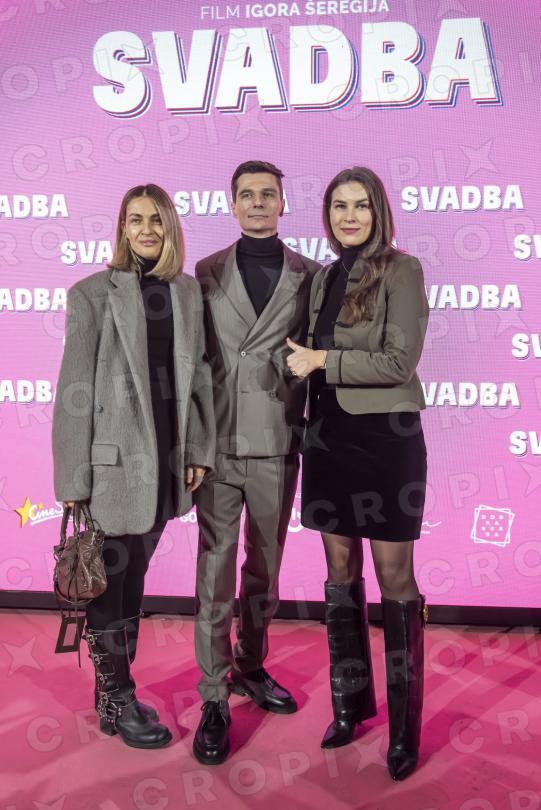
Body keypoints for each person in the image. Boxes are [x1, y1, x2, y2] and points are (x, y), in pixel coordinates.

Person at [52, 184, 215, 749]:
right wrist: (73, 478)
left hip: (167, 465)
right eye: (135, 220)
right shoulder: (93, 294)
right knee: (110, 588)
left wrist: (198, 450)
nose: (146, 229)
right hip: (112, 471)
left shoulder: (187, 293)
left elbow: (199, 378)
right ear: (122, 228)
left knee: (132, 583)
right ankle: (120, 699)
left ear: (170, 227)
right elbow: (74, 390)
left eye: (156, 220)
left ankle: (110, 697)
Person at [287, 167, 429, 781]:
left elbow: (399, 362)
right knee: (339, 573)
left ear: (379, 212)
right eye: (339, 206)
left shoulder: (403, 269)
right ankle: (349, 708)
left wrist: (323, 358)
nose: (349, 216)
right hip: (328, 436)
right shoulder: (324, 277)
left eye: (361, 206)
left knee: (396, 579)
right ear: (328, 215)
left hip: (385, 439)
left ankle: (404, 731)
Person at [192, 160, 320, 765]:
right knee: (215, 574)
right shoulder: (205, 271)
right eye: (248, 195)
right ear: (233, 204)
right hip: (218, 445)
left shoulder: (309, 275)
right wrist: (193, 444)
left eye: (269, 194)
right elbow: (194, 362)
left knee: (264, 570)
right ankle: (213, 696)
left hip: (275, 437)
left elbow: (319, 353)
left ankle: (250, 665)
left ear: (282, 203)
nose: (259, 203)